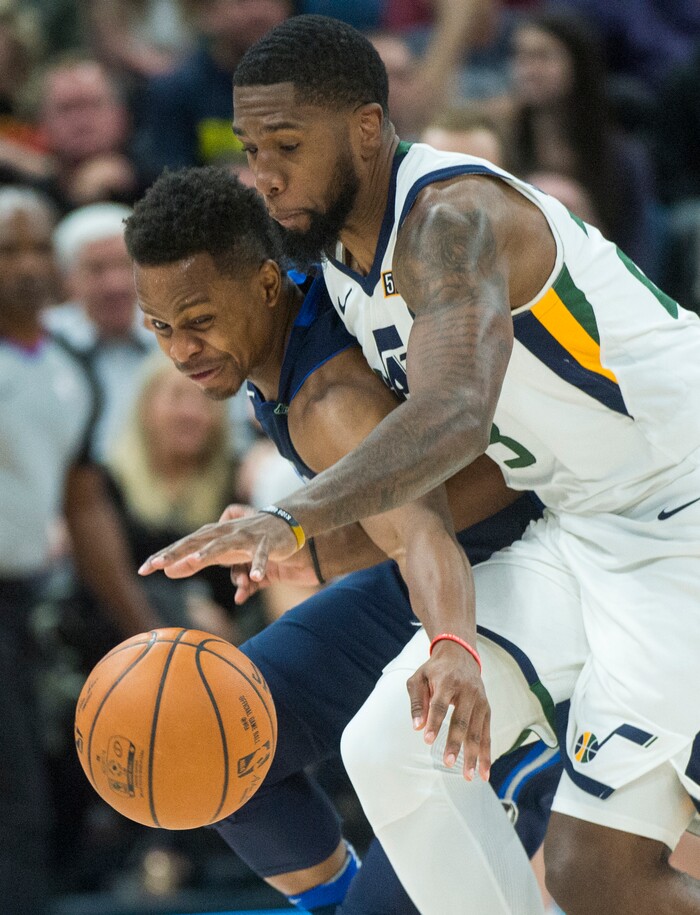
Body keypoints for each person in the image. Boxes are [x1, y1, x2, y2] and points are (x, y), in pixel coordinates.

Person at [140, 15, 700, 915]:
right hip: (585, 523)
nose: (265, 172)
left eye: (287, 144)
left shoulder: (448, 219)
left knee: (599, 876)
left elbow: (451, 413)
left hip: (683, 517)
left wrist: (292, 518)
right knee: (394, 747)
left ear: (366, 128)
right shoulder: (340, 257)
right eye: (252, 147)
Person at [126, 165, 580, 914]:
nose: (181, 348)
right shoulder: (278, 337)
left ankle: (523, 772)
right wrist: (317, 552)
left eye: (199, 318)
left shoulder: (329, 402)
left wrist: (451, 650)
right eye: (161, 327)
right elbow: (412, 508)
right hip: (426, 571)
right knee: (199, 737)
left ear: (267, 285)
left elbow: (423, 534)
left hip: (512, 577)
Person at [0, 185, 160, 915]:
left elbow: (85, 503)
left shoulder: (67, 365)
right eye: (9, 251)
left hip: (25, 603)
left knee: (32, 799)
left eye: (38, 248)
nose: (27, 266)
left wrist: (144, 628)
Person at [46, 201, 157, 461]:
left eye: (124, 265)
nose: (115, 284)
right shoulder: (44, 342)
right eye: (97, 269)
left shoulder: (180, 337)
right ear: (67, 279)